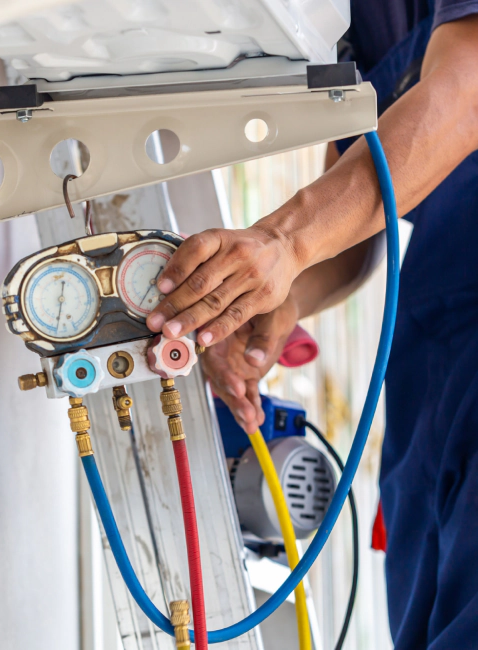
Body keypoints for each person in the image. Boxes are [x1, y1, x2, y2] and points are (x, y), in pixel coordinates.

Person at [145, 4, 478, 649]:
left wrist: (282, 242)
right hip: (434, 365)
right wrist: (277, 297)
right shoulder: (361, 18)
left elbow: (462, 95)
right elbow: (357, 206)